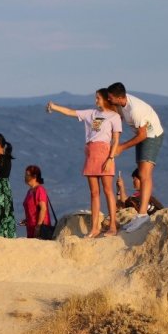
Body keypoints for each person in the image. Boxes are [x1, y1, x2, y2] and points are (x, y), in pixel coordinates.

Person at [47, 89, 121, 237]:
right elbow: (70, 112)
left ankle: (113, 225)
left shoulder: (114, 116)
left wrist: (111, 158)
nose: (96, 101)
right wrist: (54, 107)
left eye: (98, 98)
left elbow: (116, 140)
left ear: (105, 99)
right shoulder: (91, 113)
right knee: (94, 193)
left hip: (105, 153)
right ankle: (95, 228)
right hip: (91, 152)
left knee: (107, 190)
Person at [106, 82, 164, 233]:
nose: (109, 100)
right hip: (142, 136)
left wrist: (121, 147)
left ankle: (143, 214)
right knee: (141, 171)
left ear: (119, 98)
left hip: (151, 136)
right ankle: (141, 215)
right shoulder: (121, 105)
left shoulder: (135, 110)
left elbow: (142, 135)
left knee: (144, 174)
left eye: (110, 97)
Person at [20, 165, 52, 239]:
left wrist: (38, 226)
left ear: (34, 176)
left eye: (27, 175)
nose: (25, 177)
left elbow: (43, 209)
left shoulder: (39, 190)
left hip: (39, 229)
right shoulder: (30, 191)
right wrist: (27, 220)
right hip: (31, 227)